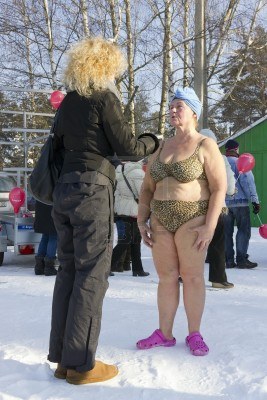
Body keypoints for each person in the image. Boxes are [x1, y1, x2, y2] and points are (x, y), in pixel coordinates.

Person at [47, 36, 159, 385]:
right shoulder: (104, 98)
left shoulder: (68, 102)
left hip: (64, 190)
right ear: (106, 66)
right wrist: (151, 141)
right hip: (92, 189)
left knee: (68, 270)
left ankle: (64, 359)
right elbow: (126, 148)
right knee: (92, 274)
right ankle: (82, 365)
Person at [136, 87, 227, 356]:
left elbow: (220, 187)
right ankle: (164, 333)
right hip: (161, 221)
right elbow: (147, 189)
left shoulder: (204, 144)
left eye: (179, 106)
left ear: (194, 112)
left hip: (193, 220)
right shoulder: (161, 146)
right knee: (166, 278)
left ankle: (194, 333)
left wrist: (209, 226)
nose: (173, 110)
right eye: (172, 106)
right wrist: (142, 221)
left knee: (192, 277)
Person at [200, 129, 235, 289]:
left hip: (193, 206)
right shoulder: (220, 159)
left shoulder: (189, 157)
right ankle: (218, 279)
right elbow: (228, 186)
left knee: (192, 244)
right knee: (217, 243)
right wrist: (232, 191)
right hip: (216, 207)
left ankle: (184, 275)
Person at [224, 139, 260, 269]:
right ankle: (241, 259)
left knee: (226, 232)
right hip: (241, 204)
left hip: (224, 204)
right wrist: (255, 201)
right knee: (243, 231)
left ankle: (228, 260)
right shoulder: (241, 162)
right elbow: (248, 183)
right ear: (236, 149)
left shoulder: (220, 163)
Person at [111, 161, 149, 277]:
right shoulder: (138, 173)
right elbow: (142, 194)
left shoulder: (117, 173)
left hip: (121, 210)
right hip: (134, 211)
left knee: (132, 239)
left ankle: (138, 269)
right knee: (129, 240)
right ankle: (106, 267)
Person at [34, 200, 57, 276]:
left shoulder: (40, 188)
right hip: (52, 211)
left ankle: (39, 267)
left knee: (45, 236)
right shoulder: (54, 187)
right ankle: (49, 267)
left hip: (41, 211)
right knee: (53, 237)